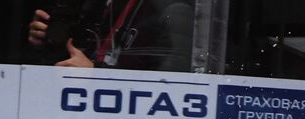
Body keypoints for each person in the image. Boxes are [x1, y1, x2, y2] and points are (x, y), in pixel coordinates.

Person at [26, 0, 193, 70]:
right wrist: (47, 41)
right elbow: (80, 56)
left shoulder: (172, 9)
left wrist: (96, 75)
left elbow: (168, 87)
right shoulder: (100, 5)